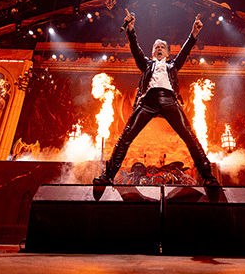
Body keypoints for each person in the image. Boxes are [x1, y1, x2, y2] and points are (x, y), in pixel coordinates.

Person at [93, 10, 219, 187]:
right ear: (152, 52)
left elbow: (185, 51)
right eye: (156, 47)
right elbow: (135, 49)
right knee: (126, 136)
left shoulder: (173, 65)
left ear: (167, 53)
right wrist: (131, 30)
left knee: (190, 136)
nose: (159, 48)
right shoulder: (146, 64)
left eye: (162, 47)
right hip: (148, 101)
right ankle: (108, 176)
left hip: (169, 100)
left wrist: (194, 34)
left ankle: (208, 176)